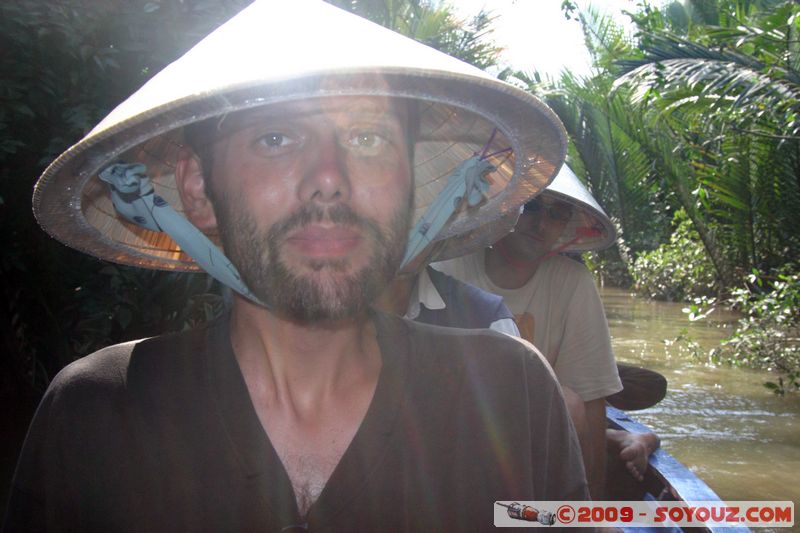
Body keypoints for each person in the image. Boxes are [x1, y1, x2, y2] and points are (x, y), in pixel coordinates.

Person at [4, 2, 589, 531]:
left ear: (409, 188)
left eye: (367, 137)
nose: (330, 179)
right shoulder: (94, 413)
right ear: (199, 190)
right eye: (276, 137)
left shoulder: (512, 398)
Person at [434, 165, 663, 498]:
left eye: (557, 213)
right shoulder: (448, 265)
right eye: (531, 205)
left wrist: (591, 516)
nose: (541, 223)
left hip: (536, 430)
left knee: (569, 402)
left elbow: (589, 401)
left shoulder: (572, 283)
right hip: (453, 430)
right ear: (505, 206)